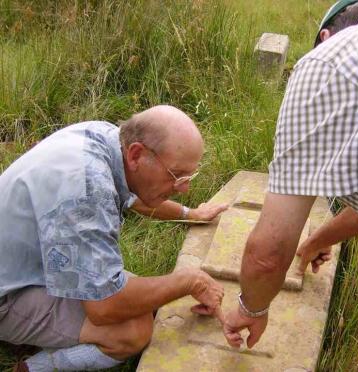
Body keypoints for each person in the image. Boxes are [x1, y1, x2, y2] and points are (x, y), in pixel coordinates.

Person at [0, 105, 227, 372]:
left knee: (142, 300)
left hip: (23, 267)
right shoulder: (86, 192)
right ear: (136, 155)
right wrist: (190, 281)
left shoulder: (106, 139)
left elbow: (134, 197)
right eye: (176, 176)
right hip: (9, 295)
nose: (185, 189)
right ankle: (32, 368)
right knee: (134, 330)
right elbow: (104, 307)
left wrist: (191, 214)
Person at [223, 0, 358, 349]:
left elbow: (269, 252)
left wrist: (251, 308)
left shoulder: (332, 61)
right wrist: (318, 240)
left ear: (325, 36)